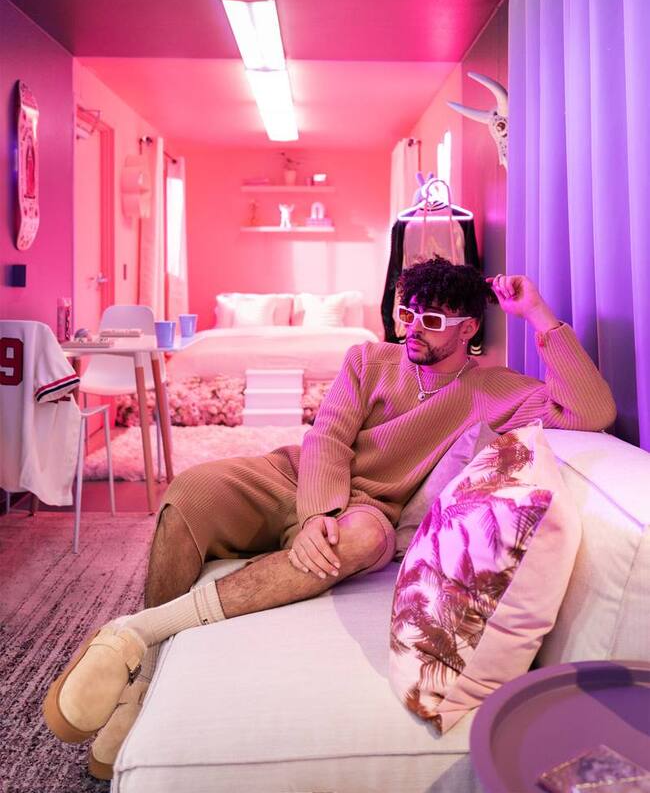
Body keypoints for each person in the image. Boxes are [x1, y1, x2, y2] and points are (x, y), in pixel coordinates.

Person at [43, 258, 616, 779]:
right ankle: (143, 678)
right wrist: (319, 509)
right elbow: (329, 434)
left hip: (372, 508)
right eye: (407, 313)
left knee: (363, 539)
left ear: (468, 329)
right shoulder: (368, 358)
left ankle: (136, 633)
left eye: (431, 320)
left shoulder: (495, 389)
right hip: (297, 474)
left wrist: (536, 313)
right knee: (191, 489)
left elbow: (592, 411)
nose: (413, 329)